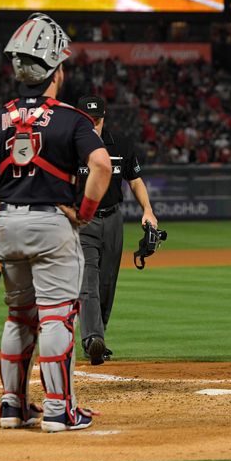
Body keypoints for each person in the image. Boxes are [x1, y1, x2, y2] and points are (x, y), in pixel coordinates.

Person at [0, 13, 111, 432]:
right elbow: (100, 166)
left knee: (19, 316)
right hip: (51, 223)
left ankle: (12, 407)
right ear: (55, 69)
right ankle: (60, 409)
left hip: (7, 225)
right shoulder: (71, 118)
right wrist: (85, 214)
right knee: (56, 316)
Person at [75, 95, 157, 365]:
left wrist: (147, 210)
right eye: (88, 120)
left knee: (107, 283)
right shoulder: (71, 147)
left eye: (97, 119)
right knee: (88, 282)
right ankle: (92, 338)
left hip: (113, 219)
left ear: (104, 118)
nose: (93, 124)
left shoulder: (120, 144)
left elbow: (135, 181)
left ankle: (97, 340)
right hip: (82, 222)